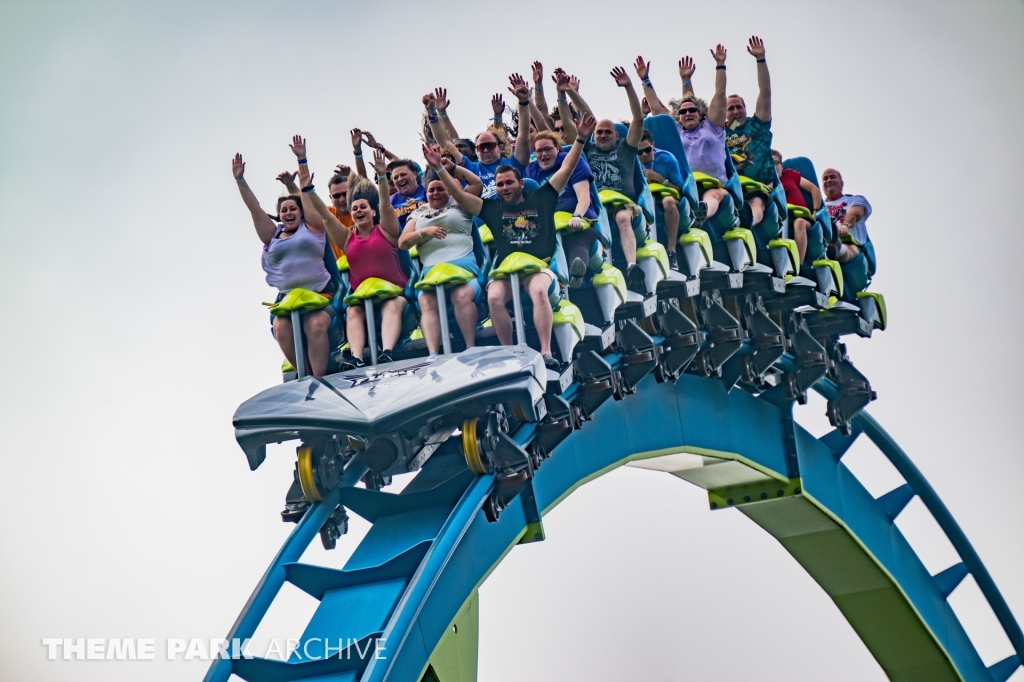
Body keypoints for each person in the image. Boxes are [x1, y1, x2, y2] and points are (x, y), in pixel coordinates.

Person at [430, 113, 599, 369]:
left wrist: (581, 139)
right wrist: (442, 169)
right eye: (499, 184)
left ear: (521, 183)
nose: (504, 187)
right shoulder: (492, 208)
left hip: (539, 266)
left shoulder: (541, 198)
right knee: (494, 295)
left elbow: (566, 169)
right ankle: (511, 353)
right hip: (508, 271)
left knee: (539, 289)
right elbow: (459, 195)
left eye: (509, 182)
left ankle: (545, 351)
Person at [231, 139, 338, 377]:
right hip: (288, 299)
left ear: (301, 213)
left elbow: (306, 193)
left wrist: (302, 160)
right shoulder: (274, 235)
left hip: (320, 294)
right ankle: (306, 376)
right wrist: (240, 180)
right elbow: (255, 209)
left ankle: (320, 378)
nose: (289, 213)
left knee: (315, 324)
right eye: (284, 210)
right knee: (280, 328)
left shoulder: (312, 228)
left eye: (293, 209)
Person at [301, 146, 409, 366]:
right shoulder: (348, 238)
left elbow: (387, 205)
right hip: (362, 297)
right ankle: (357, 357)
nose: (358, 211)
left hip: (392, 293)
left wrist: (380, 176)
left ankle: (386, 351)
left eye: (363, 207)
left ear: (372, 211)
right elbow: (325, 216)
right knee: (353, 311)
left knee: (392, 304)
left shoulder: (386, 230)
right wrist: (309, 190)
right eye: (354, 208)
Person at [512, 74, 596, 288]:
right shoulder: (530, 171)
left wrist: (577, 215)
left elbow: (584, 196)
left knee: (579, 240)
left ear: (557, 149)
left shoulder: (571, 161)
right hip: (545, 227)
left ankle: (575, 275)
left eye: (548, 149)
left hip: (574, 221)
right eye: (538, 151)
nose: (543, 154)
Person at [398, 157, 484, 355]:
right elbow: (402, 243)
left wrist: (452, 168)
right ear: (426, 193)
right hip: (431, 274)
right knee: (426, 301)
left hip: (463, 268)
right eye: (431, 190)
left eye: (440, 189)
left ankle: (471, 347)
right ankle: (433, 355)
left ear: (449, 189)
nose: (435, 193)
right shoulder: (419, 213)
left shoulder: (459, 203)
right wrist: (423, 233)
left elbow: (476, 184)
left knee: (460, 295)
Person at [638, 49, 729, 228]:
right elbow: (656, 108)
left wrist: (720, 65)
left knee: (713, 195)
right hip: (687, 185)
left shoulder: (713, 127)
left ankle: (701, 213)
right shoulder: (676, 130)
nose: (687, 113)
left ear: (701, 113)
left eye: (692, 110)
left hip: (714, 184)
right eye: (683, 112)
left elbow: (720, 94)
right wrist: (645, 79)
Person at [580, 66, 646, 290]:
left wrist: (628, 86)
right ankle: (590, 272)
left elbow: (638, 118)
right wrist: (569, 92)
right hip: (595, 205)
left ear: (617, 135)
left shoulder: (626, 149)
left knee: (621, 218)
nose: (603, 135)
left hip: (621, 203)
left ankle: (631, 266)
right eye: (599, 132)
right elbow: (585, 116)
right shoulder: (587, 150)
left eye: (608, 132)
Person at [424, 89, 512, 199]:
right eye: (481, 147)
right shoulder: (471, 168)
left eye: (489, 146)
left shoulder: (511, 163)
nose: (485, 150)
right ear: (476, 150)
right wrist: (432, 112)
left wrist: (523, 102)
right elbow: (446, 144)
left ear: (500, 148)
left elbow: (522, 138)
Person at [725, 36, 772, 228]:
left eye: (739, 107)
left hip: (758, 184)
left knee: (756, 202)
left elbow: (766, 92)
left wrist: (760, 59)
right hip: (732, 185)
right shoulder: (721, 132)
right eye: (731, 108)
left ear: (745, 108)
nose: (735, 111)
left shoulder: (757, 125)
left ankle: (749, 221)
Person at [638, 129, 685, 270]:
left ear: (653, 145)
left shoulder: (666, 159)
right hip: (645, 201)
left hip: (669, 197)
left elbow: (680, 189)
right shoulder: (633, 164)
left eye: (647, 150)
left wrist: (660, 179)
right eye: (639, 152)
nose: (644, 154)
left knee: (668, 202)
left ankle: (672, 252)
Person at [772, 150, 822, 264]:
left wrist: (815, 212)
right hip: (780, 219)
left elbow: (814, 190)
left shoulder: (789, 175)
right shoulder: (768, 183)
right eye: (770, 163)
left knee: (799, 222)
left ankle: (797, 265)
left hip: (801, 217)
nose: (774, 166)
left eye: (776, 163)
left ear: (781, 165)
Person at [822, 168, 872, 266]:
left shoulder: (854, 199)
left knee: (849, 248)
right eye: (825, 178)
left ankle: (837, 248)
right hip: (823, 242)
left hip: (852, 246)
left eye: (832, 177)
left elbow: (855, 213)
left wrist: (845, 225)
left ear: (841, 183)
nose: (828, 180)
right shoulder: (819, 206)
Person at [387, 159, 427, 228]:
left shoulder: (427, 191)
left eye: (403, 174)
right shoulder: (390, 201)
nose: (400, 179)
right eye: (395, 177)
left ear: (414, 174)